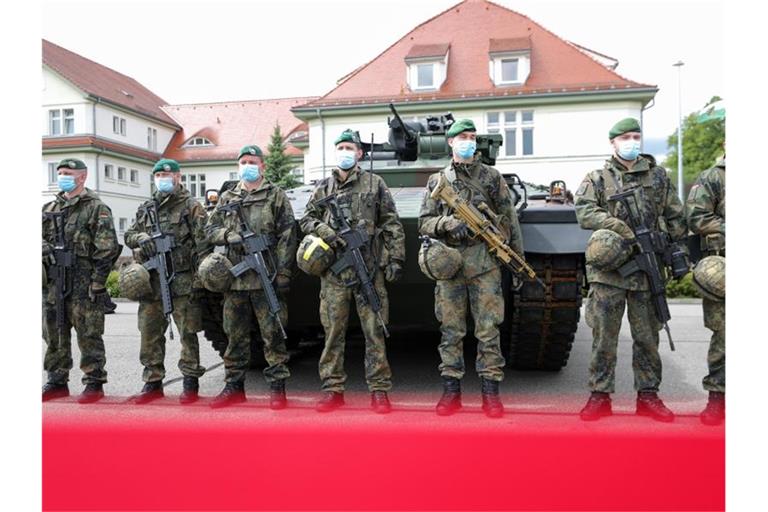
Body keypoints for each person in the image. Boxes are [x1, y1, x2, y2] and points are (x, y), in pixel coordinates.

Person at [574, 118, 687, 422]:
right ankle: (599, 396)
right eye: (625, 137)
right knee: (603, 338)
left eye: (636, 136)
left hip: (646, 274)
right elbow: (584, 212)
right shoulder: (597, 178)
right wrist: (619, 228)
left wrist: (677, 252)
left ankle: (648, 396)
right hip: (608, 273)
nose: (632, 141)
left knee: (648, 337)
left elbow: (676, 217)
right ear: (613, 142)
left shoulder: (658, 177)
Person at [418, 119, 522, 418]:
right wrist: (447, 223)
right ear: (450, 142)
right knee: (451, 331)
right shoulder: (439, 181)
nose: (469, 141)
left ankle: (491, 393)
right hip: (450, 265)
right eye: (462, 137)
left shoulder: (491, 177)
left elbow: (509, 220)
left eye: (472, 137)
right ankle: (451, 390)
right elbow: (425, 221)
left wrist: (516, 261)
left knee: (488, 330)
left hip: (485, 265)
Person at [300, 129, 405, 414]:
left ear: (359, 153)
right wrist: (328, 232)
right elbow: (307, 219)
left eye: (350, 148)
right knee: (333, 332)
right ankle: (332, 389)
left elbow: (391, 222)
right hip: (334, 274)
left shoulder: (375, 183)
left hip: (368, 269)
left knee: (375, 331)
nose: (345, 152)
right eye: (341, 147)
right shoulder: (323, 188)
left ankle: (379, 389)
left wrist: (395, 259)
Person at [205, 145, 297, 409]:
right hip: (235, 280)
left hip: (266, 275)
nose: (248, 166)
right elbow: (210, 229)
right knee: (234, 336)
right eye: (243, 161)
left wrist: (283, 271)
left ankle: (277, 388)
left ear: (262, 166)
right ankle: (234, 386)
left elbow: (288, 236)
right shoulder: (227, 197)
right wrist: (228, 236)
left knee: (273, 335)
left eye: (252, 161)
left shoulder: (275, 195)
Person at [124, 158, 210, 404]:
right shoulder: (146, 208)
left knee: (188, 333)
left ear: (178, 176)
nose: (163, 178)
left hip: (183, 281)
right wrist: (141, 237)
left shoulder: (191, 206)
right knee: (149, 332)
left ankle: (190, 382)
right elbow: (129, 235)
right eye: (159, 175)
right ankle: (152, 382)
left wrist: (200, 279)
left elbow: (204, 242)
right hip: (152, 281)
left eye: (168, 174)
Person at [42, 158, 120, 403]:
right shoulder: (50, 208)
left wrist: (98, 282)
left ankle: (94, 382)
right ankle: (57, 380)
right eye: (60, 172)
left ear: (82, 177)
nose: (62, 176)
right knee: (54, 332)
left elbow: (107, 249)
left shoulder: (96, 208)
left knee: (89, 334)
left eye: (68, 173)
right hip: (55, 283)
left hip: (84, 284)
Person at [686, 153, 725, 425]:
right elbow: (697, 217)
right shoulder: (714, 177)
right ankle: (718, 398)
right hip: (725, 268)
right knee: (725, 335)